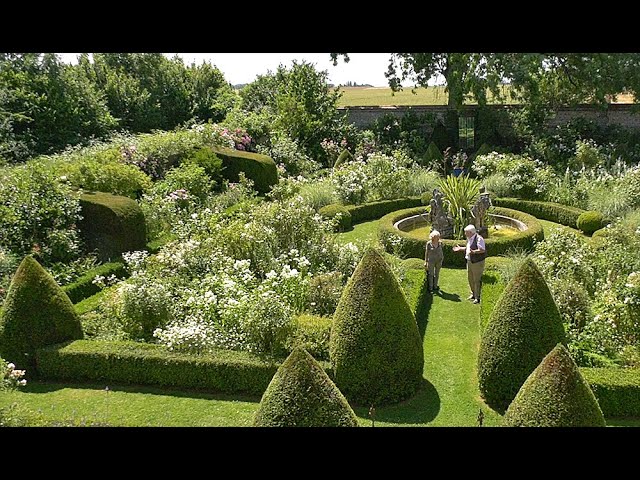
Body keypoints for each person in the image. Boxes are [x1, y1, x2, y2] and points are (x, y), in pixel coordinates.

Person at [452, 224, 486, 304]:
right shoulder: (469, 238)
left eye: (466, 232)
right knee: (470, 278)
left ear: (471, 232)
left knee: (476, 280)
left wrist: (474, 252)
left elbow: (482, 250)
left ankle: (477, 297)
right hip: (470, 261)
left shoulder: (479, 239)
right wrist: (461, 249)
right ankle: (473, 294)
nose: (465, 234)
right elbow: (468, 248)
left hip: (477, 262)